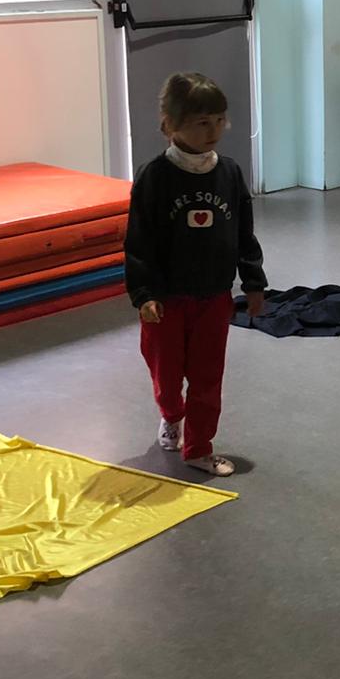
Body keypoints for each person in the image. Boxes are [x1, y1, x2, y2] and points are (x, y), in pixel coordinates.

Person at [124, 73, 266, 477]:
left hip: (213, 296)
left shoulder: (230, 174)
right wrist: (144, 294)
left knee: (207, 376)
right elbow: (138, 241)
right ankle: (172, 414)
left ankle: (199, 447)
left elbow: (243, 233)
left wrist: (253, 282)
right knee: (167, 376)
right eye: (202, 122)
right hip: (166, 300)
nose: (213, 131)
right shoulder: (154, 177)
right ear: (170, 124)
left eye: (220, 120)